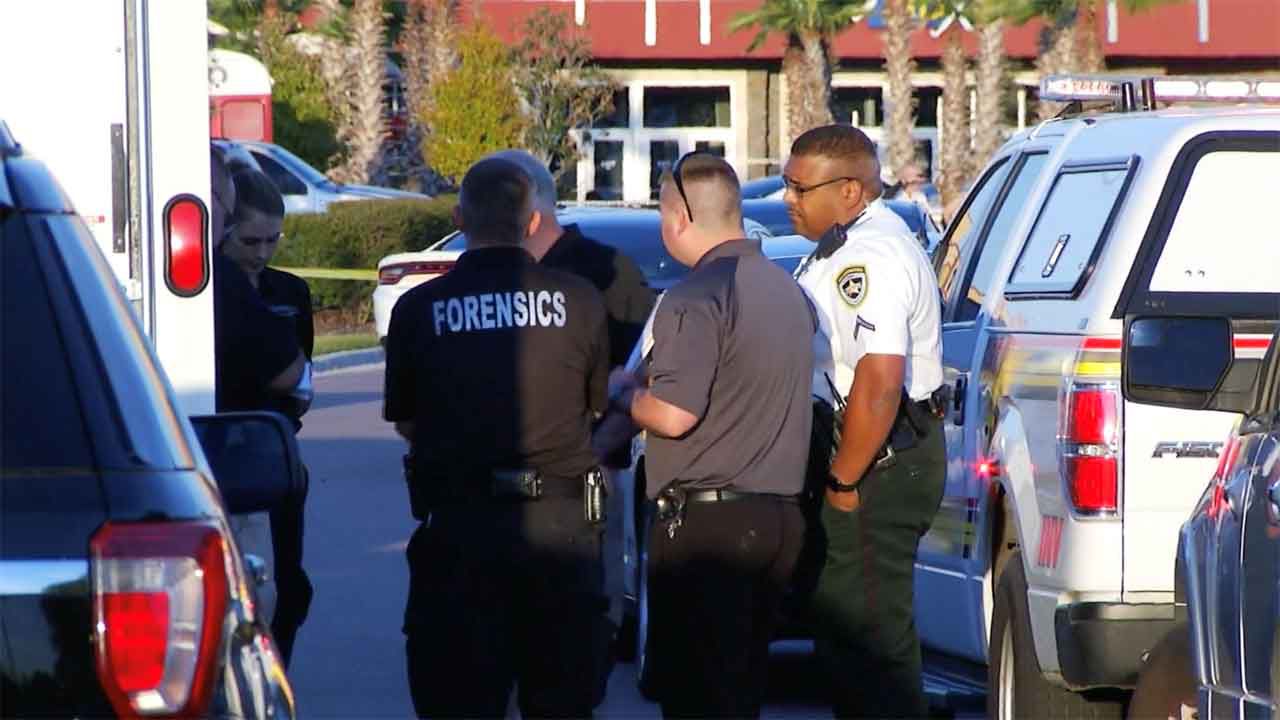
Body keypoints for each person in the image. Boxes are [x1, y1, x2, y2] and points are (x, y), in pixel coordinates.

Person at [384, 157, 614, 718]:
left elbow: (407, 420)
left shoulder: (418, 308)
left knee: (458, 700)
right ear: (531, 220)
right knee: (563, 701)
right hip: (561, 533)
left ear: (460, 218)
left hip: (462, 530)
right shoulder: (581, 301)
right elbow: (595, 406)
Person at [606, 152, 815, 718]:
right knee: (739, 689)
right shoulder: (789, 292)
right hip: (778, 520)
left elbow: (674, 415)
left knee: (694, 694)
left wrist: (624, 391)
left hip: (707, 527)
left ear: (678, 218)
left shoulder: (693, 298)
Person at [784, 124, 947, 719]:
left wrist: (844, 481)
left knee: (872, 638)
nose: (789, 200)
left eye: (801, 188)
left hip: (877, 460)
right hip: (866, 453)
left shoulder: (868, 256)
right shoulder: (841, 244)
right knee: (846, 632)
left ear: (850, 190)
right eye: (787, 185)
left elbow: (878, 379)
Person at [210, 151, 314, 667]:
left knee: (292, 588)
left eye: (273, 240)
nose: (262, 252)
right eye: (250, 240)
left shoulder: (290, 293)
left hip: (277, 452)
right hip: (229, 447)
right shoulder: (209, 291)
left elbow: (301, 377)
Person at [486, 149, 655, 369]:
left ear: (530, 216)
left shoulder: (609, 273)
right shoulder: (491, 278)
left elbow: (637, 370)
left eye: (488, 214)